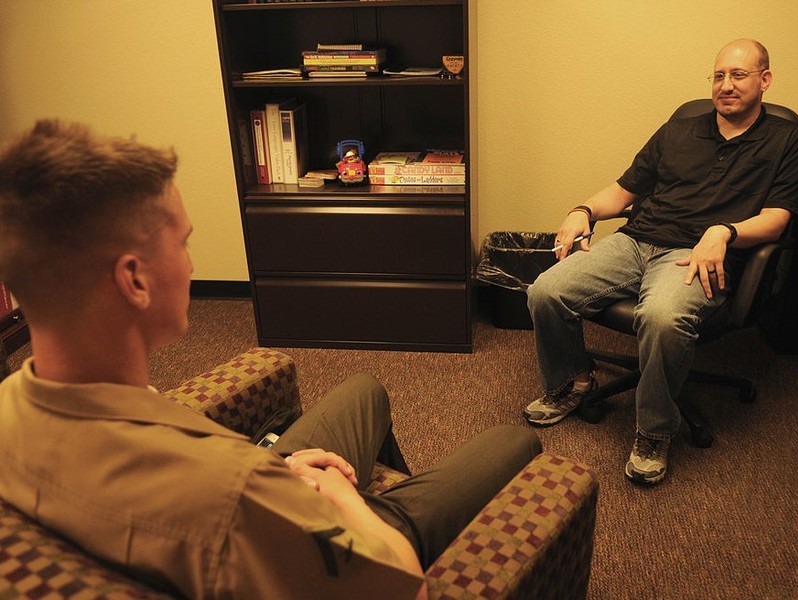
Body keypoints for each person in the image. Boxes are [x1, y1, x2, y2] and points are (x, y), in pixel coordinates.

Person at [0, 120, 542, 598]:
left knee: (363, 390)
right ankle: (393, 513)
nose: (191, 266)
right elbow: (407, 589)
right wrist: (334, 496)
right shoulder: (231, 498)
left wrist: (279, 470)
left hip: (254, 491)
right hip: (297, 531)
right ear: (134, 280)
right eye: (183, 244)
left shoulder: (12, 409)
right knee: (513, 441)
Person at [524, 38, 798, 485]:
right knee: (546, 291)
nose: (725, 85)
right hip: (637, 240)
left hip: (698, 255)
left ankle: (653, 431)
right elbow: (624, 189)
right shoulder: (679, 129)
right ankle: (573, 384)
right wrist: (584, 211)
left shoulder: (787, 141)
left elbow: (777, 220)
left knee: (661, 316)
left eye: (739, 75)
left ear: (765, 80)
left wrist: (724, 231)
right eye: (718, 76)